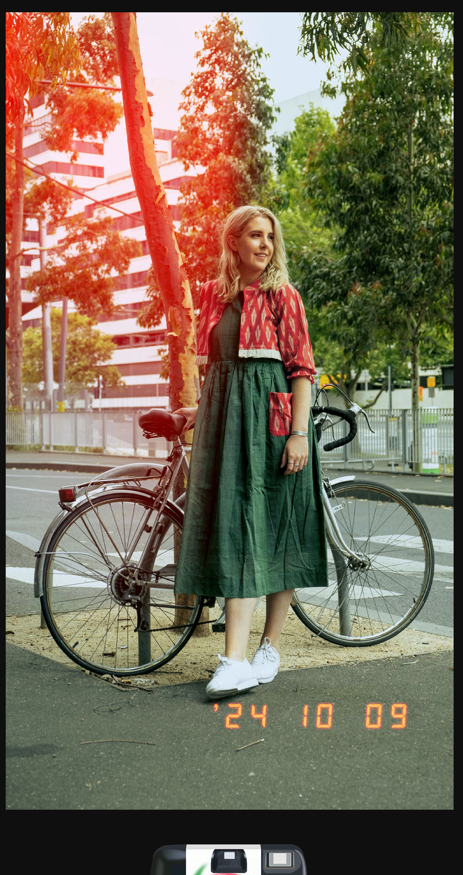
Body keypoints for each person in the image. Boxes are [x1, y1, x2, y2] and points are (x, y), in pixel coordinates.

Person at [173, 205, 328, 700]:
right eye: (255, 235)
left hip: (274, 428)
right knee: (239, 528)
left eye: (270, 237)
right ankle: (237, 660)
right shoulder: (212, 296)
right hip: (226, 426)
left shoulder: (284, 295)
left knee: (278, 528)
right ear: (233, 242)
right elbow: (216, 371)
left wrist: (299, 434)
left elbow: (302, 371)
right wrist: (200, 411)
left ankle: (263, 649)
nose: (265, 244)